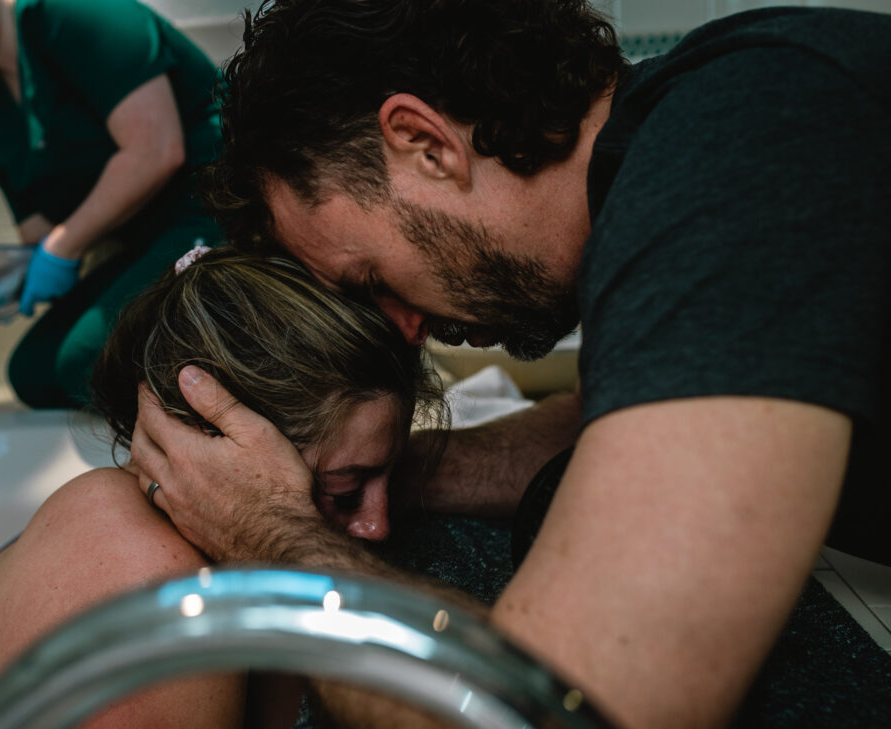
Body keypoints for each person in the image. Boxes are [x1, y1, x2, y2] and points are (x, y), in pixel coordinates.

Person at [128, 2, 891, 728]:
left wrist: (276, 539)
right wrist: (373, 471)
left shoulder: (737, 155)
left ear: (425, 144)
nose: (404, 329)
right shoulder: (691, 139)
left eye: (371, 282)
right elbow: (643, 421)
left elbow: (572, 710)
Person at [0, 246, 446, 729]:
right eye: (344, 492)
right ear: (209, 442)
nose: (378, 525)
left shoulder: (200, 556)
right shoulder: (145, 577)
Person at [0, 0, 228, 408]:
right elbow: (39, 240)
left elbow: (155, 150)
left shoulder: (73, 13)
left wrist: (61, 248)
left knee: (86, 358)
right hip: (147, 246)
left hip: (221, 207)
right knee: (32, 372)